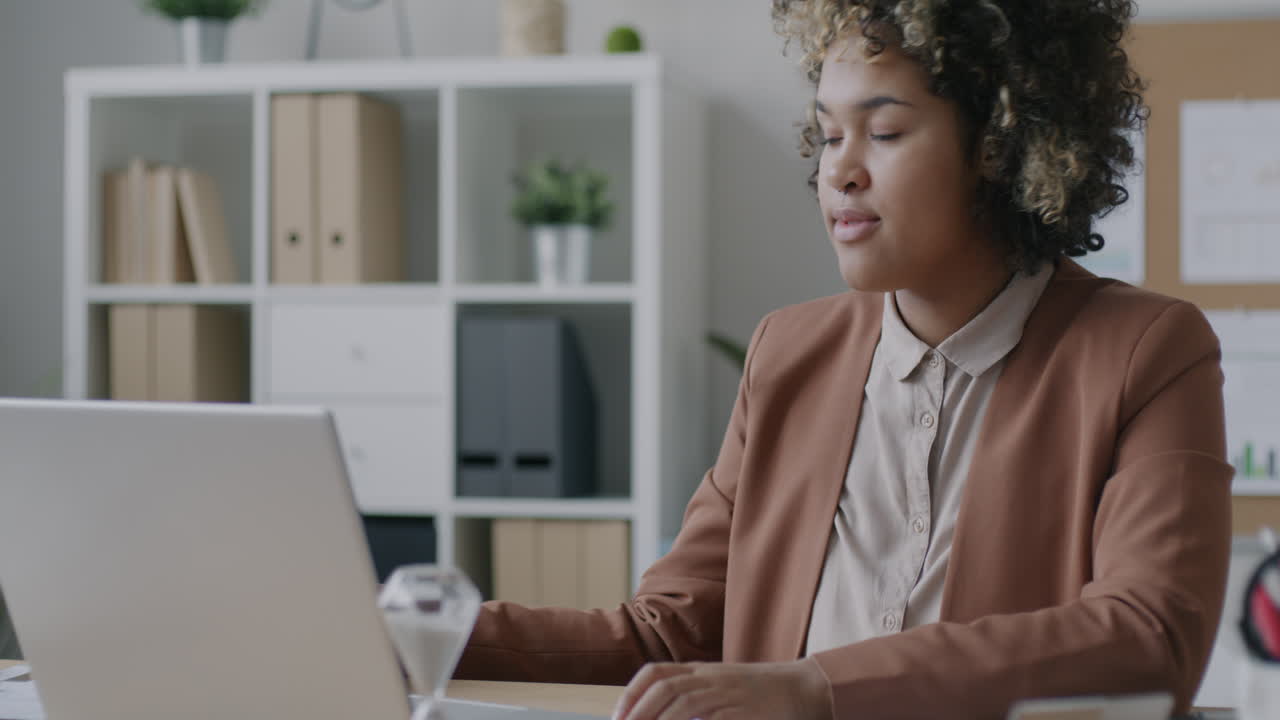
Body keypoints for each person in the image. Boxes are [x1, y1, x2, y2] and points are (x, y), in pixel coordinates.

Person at [455, 2, 1233, 718]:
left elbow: (1150, 636)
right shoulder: (787, 354)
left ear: (1001, 144)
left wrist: (817, 687)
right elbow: (666, 638)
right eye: (829, 135)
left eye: (883, 132)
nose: (838, 171)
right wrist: (434, 631)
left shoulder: (1147, 350)